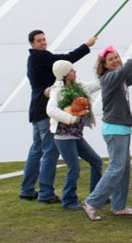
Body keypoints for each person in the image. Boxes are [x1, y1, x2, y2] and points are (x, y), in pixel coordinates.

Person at [19, 30, 96, 203]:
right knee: (49, 151)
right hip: (44, 111)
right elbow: (66, 60)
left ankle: (27, 189)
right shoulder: (40, 57)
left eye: (44, 39)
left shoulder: (34, 60)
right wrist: (86, 46)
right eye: (39, 41)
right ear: (32, 44)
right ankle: (45, 193)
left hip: (36, 110)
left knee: (36, 150)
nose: (43, 43)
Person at [82, 45, 132, 221]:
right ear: (105, 65)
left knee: (124, 169)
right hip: (114, 129)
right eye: (111, 59)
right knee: (116, 168)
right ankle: (91, 202)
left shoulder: (120, 78)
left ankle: (119, 206)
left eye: (116, 57)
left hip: (122, 128)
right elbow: (128, 68)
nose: (115, 60)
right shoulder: (108, 78)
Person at [47, 60, 103, 210]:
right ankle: (69, 200)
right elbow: (51, 110)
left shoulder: (80, 86)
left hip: (76, 135)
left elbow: (98, 84)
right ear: (65, 74)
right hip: (64, 136)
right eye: (72, 70)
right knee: (74, 168)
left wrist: (95, 65)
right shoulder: (57, 90)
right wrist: (71, 118)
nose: (75, 72)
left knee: (96, 161)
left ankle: (96, 196)